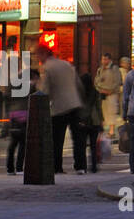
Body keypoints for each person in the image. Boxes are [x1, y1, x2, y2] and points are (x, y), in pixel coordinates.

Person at [33, 43, 85, 174]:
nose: (37, 57)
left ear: (44, 54)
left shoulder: (46, 68)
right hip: (74, 103)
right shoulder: (66, 64)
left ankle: (57, 167)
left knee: (57, 139)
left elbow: (45, 91)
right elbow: (79, 84)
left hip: (59, 107)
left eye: (37, 54)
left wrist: (36, 85)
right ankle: (80, 166)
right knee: (77, 138)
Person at [74, 71, 104, 173]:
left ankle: (83, 167)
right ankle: (94, 166)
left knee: (81, 145)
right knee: (93, 146)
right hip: (94, 121)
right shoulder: (95, 92)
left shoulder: (78, 93)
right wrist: (101, 120)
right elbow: (98, 108)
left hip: (82, 120)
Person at [95, 53, 123, 137]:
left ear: (110, 60)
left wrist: (111, 91)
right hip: (102, 93)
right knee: (103, 112)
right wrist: (100, 89)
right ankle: (103, 130)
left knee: (111, 112)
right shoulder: (100, 69)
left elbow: (117, 81)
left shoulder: (114, 69)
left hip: (111, 94)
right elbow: (96, 81)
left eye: (105, 59)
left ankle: (111, 131)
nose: (104, 61)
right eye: (103, 59)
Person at [6, 104, 27, 174]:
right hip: (24, 121)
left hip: (14, 120)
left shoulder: (13, 98)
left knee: (12, 147)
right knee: (22, 147)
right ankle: (19, 168)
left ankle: (10, 169)